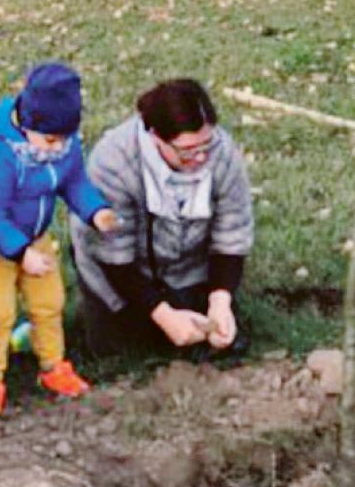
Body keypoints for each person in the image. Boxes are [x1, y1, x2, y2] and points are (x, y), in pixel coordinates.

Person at [0, 63, 119, 415]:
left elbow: (74, 182)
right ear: (27, 124)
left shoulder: (64, 148)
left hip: (34, 236)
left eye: (64, 140)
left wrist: (95, 211)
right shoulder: (3, 156)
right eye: (50, 141)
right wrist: (19, 253)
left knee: (49, 302)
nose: (56, 149)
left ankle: (53, 366)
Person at [70, 79, 253, 359]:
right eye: (187, 151)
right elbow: (113, 254)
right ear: (155, 136)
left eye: (206, 143)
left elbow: (232, 232)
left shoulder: (223, 154)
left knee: (213, 343)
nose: (201, 157)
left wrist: (220, 299)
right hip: (121, 272)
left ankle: (195, 297)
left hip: (188, 266)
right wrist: (163, 314)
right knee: (124, 352)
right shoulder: (113, 163)